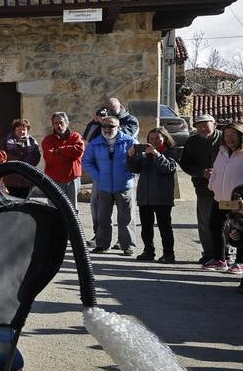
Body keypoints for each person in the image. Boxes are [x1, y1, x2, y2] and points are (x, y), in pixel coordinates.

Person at [82, 114, 136, 254]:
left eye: (111, 126)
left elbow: (138, 162)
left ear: (118, 127)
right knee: (103, 218)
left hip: (124, 185)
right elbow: (87, 161)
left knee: (126, 218)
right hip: (104, 186)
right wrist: (98, 176)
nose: (107, 129)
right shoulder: (95, 143)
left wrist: (129, 175)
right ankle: (102, 244)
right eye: (104, 126)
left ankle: (127, 246)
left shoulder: (130, 142)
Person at [127, 128, 179, 263]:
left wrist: (157, 154)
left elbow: (168, 168)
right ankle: (148, 251)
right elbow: (133, 169)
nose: (154, 141)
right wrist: (131, 156)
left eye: (158, 139)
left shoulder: (170, 152)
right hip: (145, 196)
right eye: (151, 139)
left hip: (162, 197)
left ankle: (169, 254)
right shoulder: (144, 153)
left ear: (165, 139)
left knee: (164, 227)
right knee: (146, 227)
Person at [180, 114, 225, 268]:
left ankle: (225, 254)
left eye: (206, 125)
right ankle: (209, 254)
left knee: (227, 223)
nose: (202, 128)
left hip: (226, 188)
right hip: (203, 188)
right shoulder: (192, 142)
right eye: (199, 126)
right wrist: (201, 172)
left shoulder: (226, 139)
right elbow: (185, 164)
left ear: (215, 124)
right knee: (205, 222)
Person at [207, 122, 243, 275]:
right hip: (220, 198)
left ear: (240, 136)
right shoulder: (221, 152)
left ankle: (240, 262)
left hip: (239, 201)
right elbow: (215, 171)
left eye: (233, 135)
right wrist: (212, 185)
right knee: (215, 226)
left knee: (239, 231)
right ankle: (220, 259)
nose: (229, 139)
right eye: (226, 136)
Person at [40, 112, 85, 208]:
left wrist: (59, 150)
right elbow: (50, 158)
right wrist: (69, 155)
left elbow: (79, 151)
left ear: (67, 123)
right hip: (54, 179)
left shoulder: (76, 136)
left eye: (61, 122)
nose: (59, 125)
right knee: (54, 208)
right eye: (55, 123)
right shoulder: (48, 140)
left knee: (72, 209)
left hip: (72, 179)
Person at [1, 119, 41, 199]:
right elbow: (2, 156)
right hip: (10, 180)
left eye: (24, 129)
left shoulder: (33, 143)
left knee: (24, 204)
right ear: (14, 130)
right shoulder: (6, 141)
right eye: (18, 129)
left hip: (26, 180)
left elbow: (36, 158)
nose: (21, 131)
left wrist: (25, 164)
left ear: (27, 130)